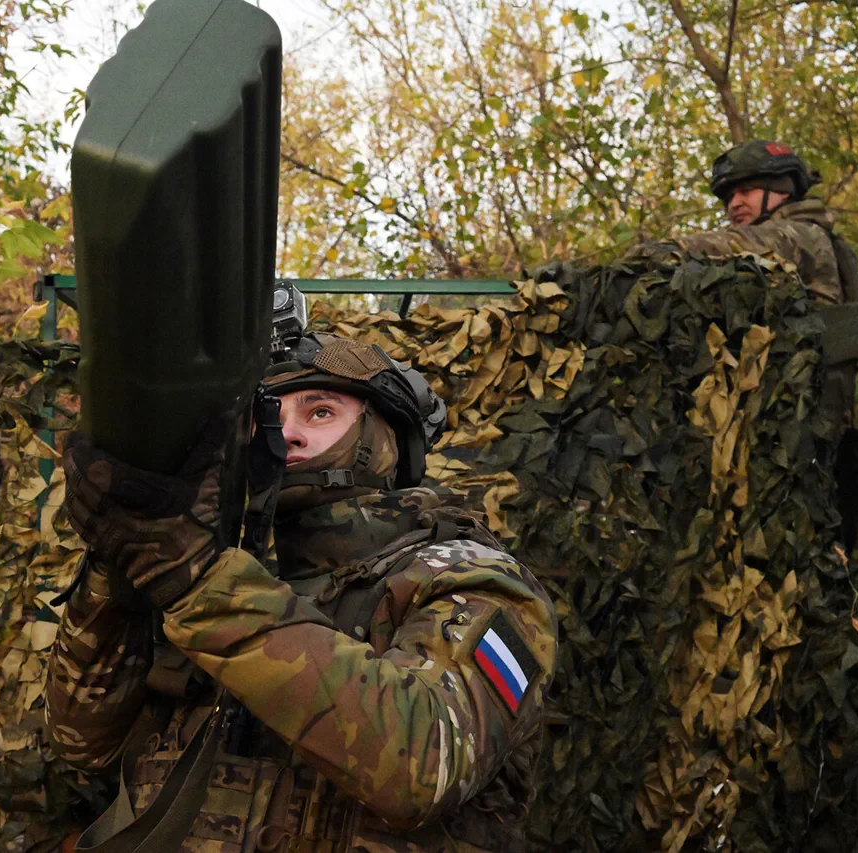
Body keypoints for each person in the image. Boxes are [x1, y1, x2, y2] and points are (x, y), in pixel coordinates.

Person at [47, 330, 558, 852]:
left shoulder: (473, 577)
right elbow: (82, 744)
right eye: (267, 416)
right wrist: (120, 559)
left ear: (389, 439)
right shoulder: (222, 568)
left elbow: (425, 767)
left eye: (320, 412)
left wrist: (195, 581)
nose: (286, 434)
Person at [636, 140, 858, 552]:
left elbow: (724, 248)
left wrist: (658, 252)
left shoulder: (800, 236)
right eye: (728, 195)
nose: (734, 203)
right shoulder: (810, 244)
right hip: (798, 443)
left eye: (746, 190)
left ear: (782, 190)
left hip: (797, 448)